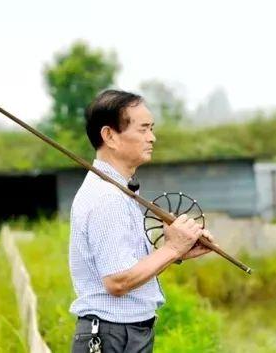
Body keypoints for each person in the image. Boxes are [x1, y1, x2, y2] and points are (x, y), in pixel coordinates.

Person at [69, 89, 215, 353]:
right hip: (111, 335)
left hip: (125, 332)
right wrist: (171, 249)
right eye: (143, 129)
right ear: (110, 136)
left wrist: (176, 252)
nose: (152, 138)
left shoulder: (120, 191)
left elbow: (128, 268)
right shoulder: (106, 197)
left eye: (152, 129)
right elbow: (117, 281)